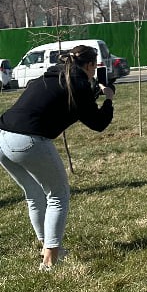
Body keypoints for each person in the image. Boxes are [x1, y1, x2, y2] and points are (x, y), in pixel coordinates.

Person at [0, 44, 116, 270]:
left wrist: (94, 92)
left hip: (3, 136)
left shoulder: (52, 76)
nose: (94, 72)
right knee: (58, 195)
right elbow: (98, 123)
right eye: (94, 68)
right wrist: (109, 99)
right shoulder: (78, 84)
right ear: (89, 65)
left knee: (34, 194)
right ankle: (50, 261)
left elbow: (70, 100)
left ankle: (47, 246)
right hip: (28, 139)